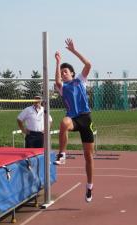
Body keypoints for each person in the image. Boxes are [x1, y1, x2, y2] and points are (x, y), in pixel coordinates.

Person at [54, 38, 95, 203]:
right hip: (73, 119)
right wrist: (57, 62)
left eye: (66, 71)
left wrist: (73, 50)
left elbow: (88, 64)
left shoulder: (80, 80)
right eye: (62, 72)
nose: (63, 73)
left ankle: (90, 185)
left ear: (72, 73)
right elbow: (57, 81)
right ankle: (62, 154)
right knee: (64, 123)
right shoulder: (62, 88)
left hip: (86, 119)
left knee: (88, 157)